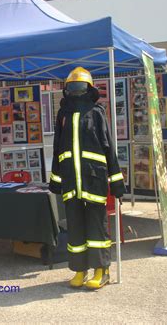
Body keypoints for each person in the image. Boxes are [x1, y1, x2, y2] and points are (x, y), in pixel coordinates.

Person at [49, 67, 126, 290]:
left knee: (96, 226)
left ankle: (102, 271)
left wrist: (117, 181)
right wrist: (56, 179)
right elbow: (57, 148)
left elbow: (109, 147)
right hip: (71, 181)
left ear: (90, 88)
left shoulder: (96, 112)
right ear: (66, 90)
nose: (76, 91)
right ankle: (80, 270)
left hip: (94, 179)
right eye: (72, 87)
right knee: (75, 226)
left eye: (81, 87)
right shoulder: (63, 115)